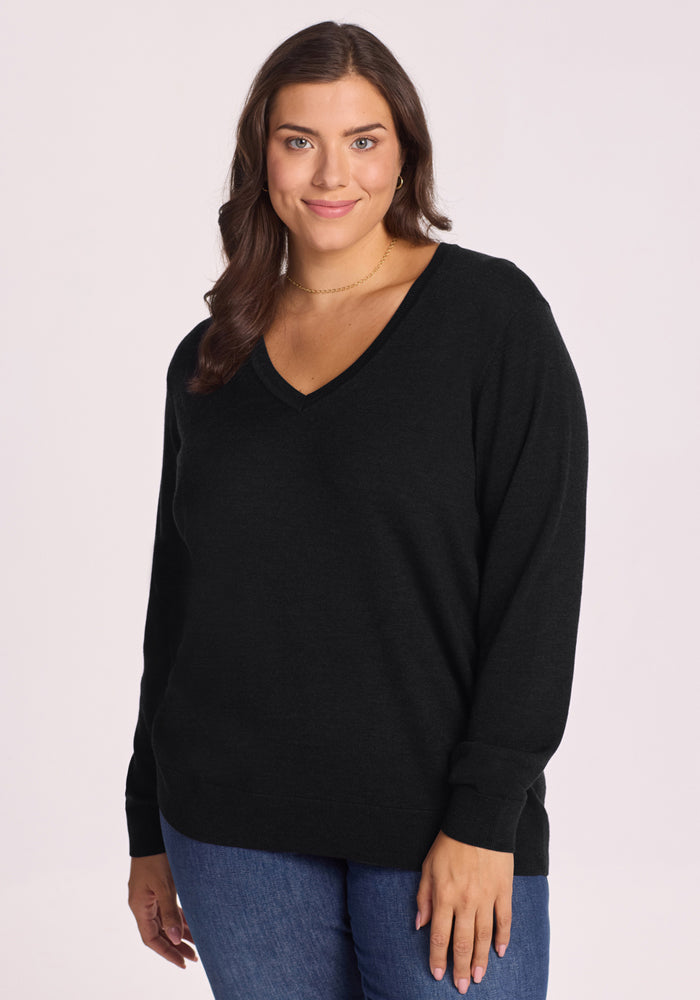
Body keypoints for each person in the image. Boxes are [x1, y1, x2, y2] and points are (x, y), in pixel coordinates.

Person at [125, 20, 588, 1000]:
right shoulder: (209, 359)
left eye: (363, 139)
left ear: (404, 153)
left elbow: (535, 583)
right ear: (262, 158)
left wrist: (485, 816)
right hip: (229, 829)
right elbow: (178, 603)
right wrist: (145, 823)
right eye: (299, 140)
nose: (332, 172)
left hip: (437, 827)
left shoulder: (491, 320)